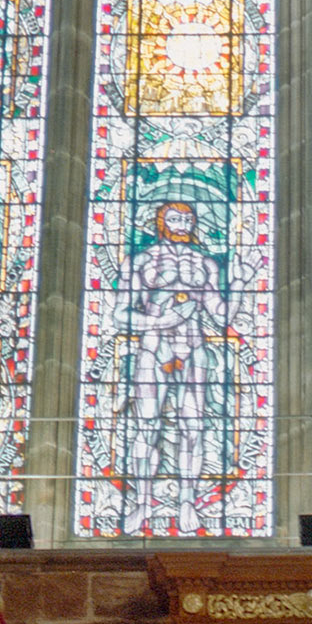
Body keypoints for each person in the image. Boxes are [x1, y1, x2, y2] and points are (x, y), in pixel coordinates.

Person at [121, 201, 226, 531]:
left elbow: (221, 315)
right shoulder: (142, 261)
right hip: (154, 348)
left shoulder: (205, 264)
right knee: (146, 427)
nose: (181, 224)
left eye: (187, 218)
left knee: (193, 429)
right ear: (160, 222)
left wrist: (240, 284)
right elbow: (119, 314)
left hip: (194, 348)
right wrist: (161, 320)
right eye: (174, 218)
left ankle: (187, 503)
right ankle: (141, 502)